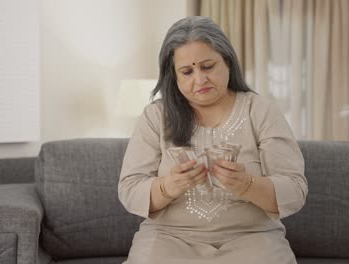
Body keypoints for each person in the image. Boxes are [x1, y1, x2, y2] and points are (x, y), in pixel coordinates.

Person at [118, 16, 308, 264]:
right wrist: (168, 186)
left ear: (227, 62)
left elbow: (295, 188)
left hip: (252, 238)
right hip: (169, 239)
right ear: (173, 76)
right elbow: (130, 189)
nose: (200, 79)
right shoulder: (156, 116)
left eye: (208, 67)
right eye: (187, 72)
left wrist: (247, 184)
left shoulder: (259, 110)